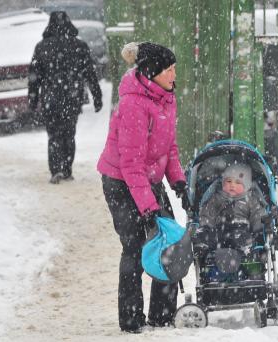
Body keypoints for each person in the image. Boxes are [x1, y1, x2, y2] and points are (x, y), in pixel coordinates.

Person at [97, 42, 189, 333]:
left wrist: (178, 181)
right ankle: (132, 320)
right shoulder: (134, 104)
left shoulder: (166, 98)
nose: (175, 74)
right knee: (136, 246)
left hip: (146, 179)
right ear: (153, 72)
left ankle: (162, 316)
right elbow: (131, 164)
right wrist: (148, 208)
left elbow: (168, 148)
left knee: (170, 243)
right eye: (170, 69)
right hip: (121, 181)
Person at [28, 11, 103, 184]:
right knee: (69, 134)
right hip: (72, 97)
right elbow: (91, 74)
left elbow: (34, 77)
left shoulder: (41, 47)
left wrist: (33, 99)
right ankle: (67, 169)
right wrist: (97, 96)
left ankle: (55, 170)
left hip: (50, 98)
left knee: (53, 135)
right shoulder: (80, 46)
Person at [193, 164, 267, 259]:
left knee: (243, 237)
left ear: (247, 185)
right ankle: (204, 247)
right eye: (228, 181)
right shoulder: (217, 198)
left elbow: (257, 215)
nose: (232, 185)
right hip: (219, 230)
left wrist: (259, 230)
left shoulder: (251, 200)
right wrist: (206, 227)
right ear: (223, 183)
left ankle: (246, 248)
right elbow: (207, 215)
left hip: (240, 229)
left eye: (238, 182)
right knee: (208, 235)